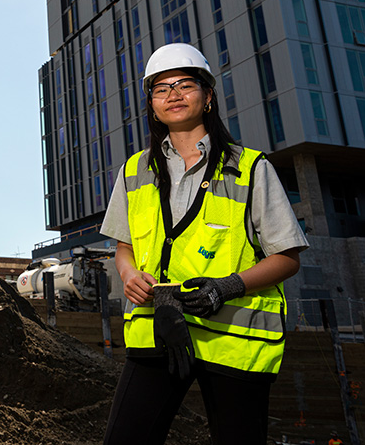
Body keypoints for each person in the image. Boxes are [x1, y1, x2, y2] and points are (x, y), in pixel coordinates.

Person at [100, 43, 309, 445]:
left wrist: (227, 287)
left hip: (233, 340)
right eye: (161, 89)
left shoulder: (250, 167)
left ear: (208, 96)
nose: (173, 95)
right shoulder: (133, 171)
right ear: (152, 104)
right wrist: (127, 275)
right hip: (156, 329)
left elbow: (287, 256)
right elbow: (123, 246)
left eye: (184, 85)